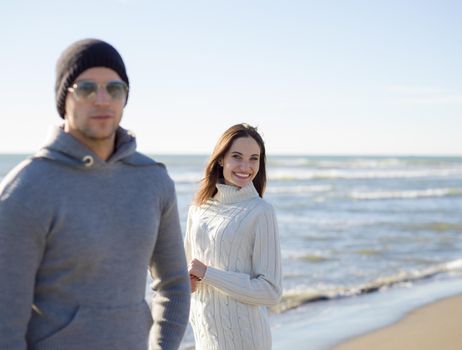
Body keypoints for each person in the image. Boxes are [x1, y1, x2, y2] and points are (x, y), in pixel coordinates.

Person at [0, 38, 190, 350]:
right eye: (87, 88)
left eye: (114, 89)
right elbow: (5, 320)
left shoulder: (153, 181)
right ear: (65, 99)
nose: (102, 100)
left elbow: (175, 284)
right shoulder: (27, 188)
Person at [184, 123, 282, 350]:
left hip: (245, 340)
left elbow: (271, 291)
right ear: (220, 159)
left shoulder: (261, 212)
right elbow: (186, 267)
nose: (246, 167)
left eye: (254, 158)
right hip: (205, 335)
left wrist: (208, 274)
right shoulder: (198, 208)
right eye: (237, 156)